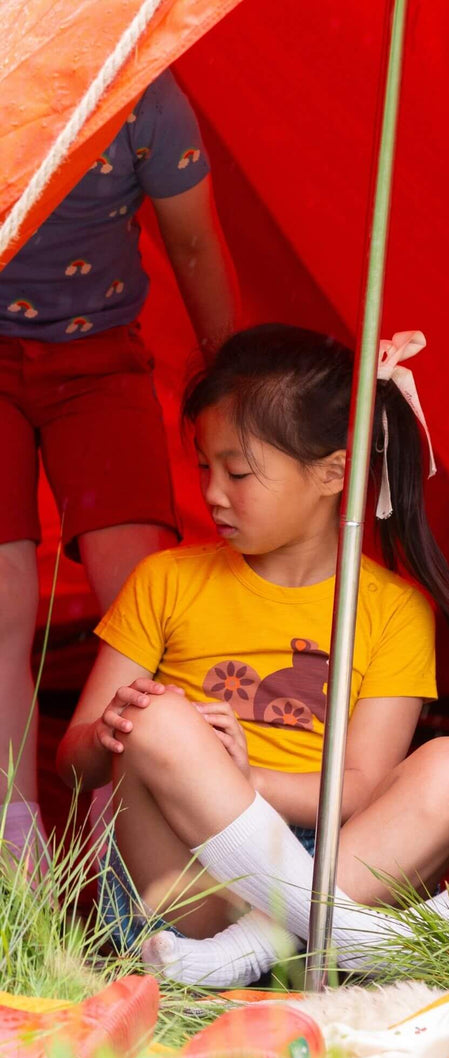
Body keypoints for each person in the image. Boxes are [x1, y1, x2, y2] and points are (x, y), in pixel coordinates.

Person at [56, 325, 449, 986]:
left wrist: (247, 780)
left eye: (238, 472)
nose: (211, 492)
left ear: (333, 473)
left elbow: (363, 790)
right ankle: (349, 936)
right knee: (159, 719)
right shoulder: (166, 581)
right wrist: (113, 731)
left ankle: (255, 946)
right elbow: (72, 765)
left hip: (335, 860)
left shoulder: (393, 611)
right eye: (205, 466)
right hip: (191, 879)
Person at [0, 69, 238, 864]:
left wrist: (226, 381)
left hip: (100, 359)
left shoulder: (146, 95)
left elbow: (195, 241)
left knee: (141, 588)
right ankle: (14, 836)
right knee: (1, 594)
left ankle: (126, 821)